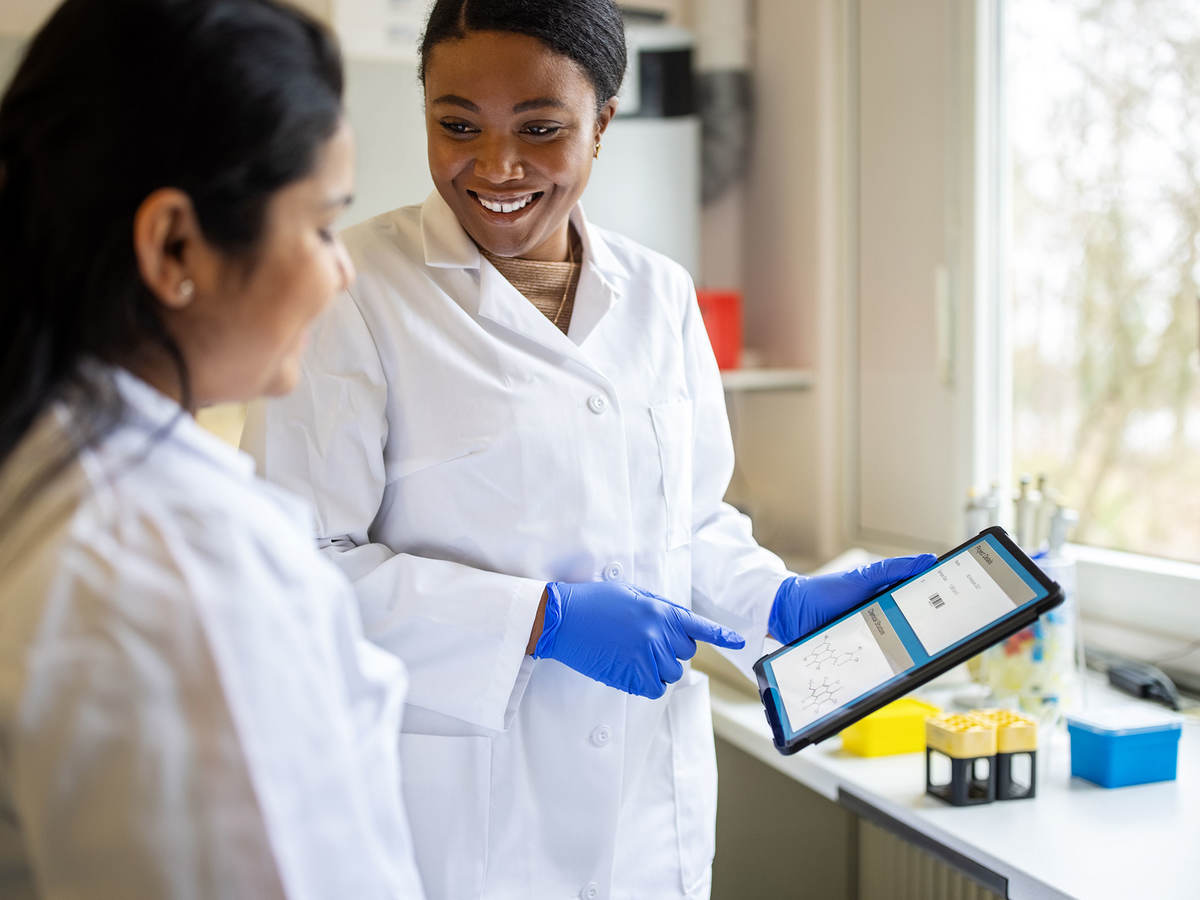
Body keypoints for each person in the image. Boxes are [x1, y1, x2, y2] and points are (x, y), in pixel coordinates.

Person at [242, 0, 934, 897]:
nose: (496, 166)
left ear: (602, 123)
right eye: (458, 125)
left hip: (649, 817)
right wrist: (542, 619)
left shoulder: (658, 294)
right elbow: (296, 577)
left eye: (542, 129)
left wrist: (780, 601)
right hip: (461, 825)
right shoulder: (353, 293)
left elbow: (687, 518)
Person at [0, 1, 424, 896]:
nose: (340, 268)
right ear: (173, 245)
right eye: (317, 226)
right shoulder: (174, 571)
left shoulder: (52, 464)